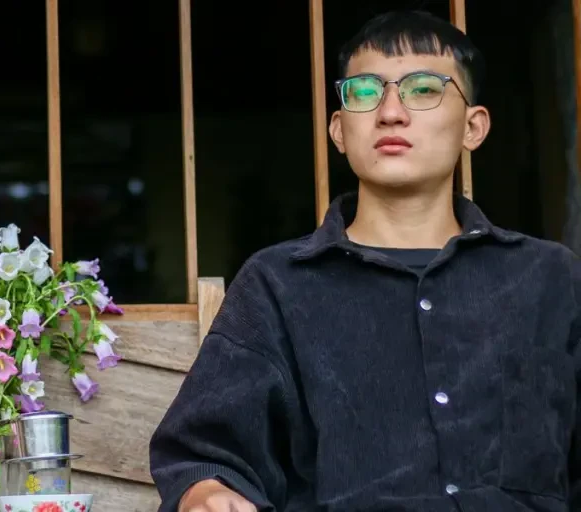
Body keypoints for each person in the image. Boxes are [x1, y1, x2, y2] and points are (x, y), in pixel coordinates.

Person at [148, 10, 581, 512]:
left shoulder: (550, 279)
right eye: (364, 92)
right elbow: (205, 455)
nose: (390, 112)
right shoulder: (279, 285)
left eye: (423, 89)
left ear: (473, 127)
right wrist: (208, 493)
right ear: (338, 130)